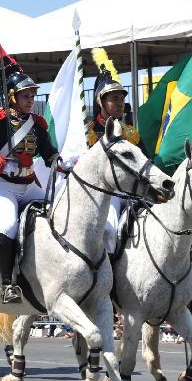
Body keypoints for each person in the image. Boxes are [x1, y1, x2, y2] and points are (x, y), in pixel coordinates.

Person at [0, 49, 58, 303]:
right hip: (1, 187)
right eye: (25, 95)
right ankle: (8, 284)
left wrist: (62, 162)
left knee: (58, 211)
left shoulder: (37, 124)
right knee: (8, 225)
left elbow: (49, 154)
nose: (30, 100)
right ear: (12, 97)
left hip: (29, 185)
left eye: (32, 95)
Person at [87, 48, 141, 254]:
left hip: (133, 189)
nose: (120, 103)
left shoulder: (131, 133)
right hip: (105, 191)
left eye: (121, 98)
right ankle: (112, 282)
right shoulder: (89, 132)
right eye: (114, 99)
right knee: (110, 232)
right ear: (101, 102)